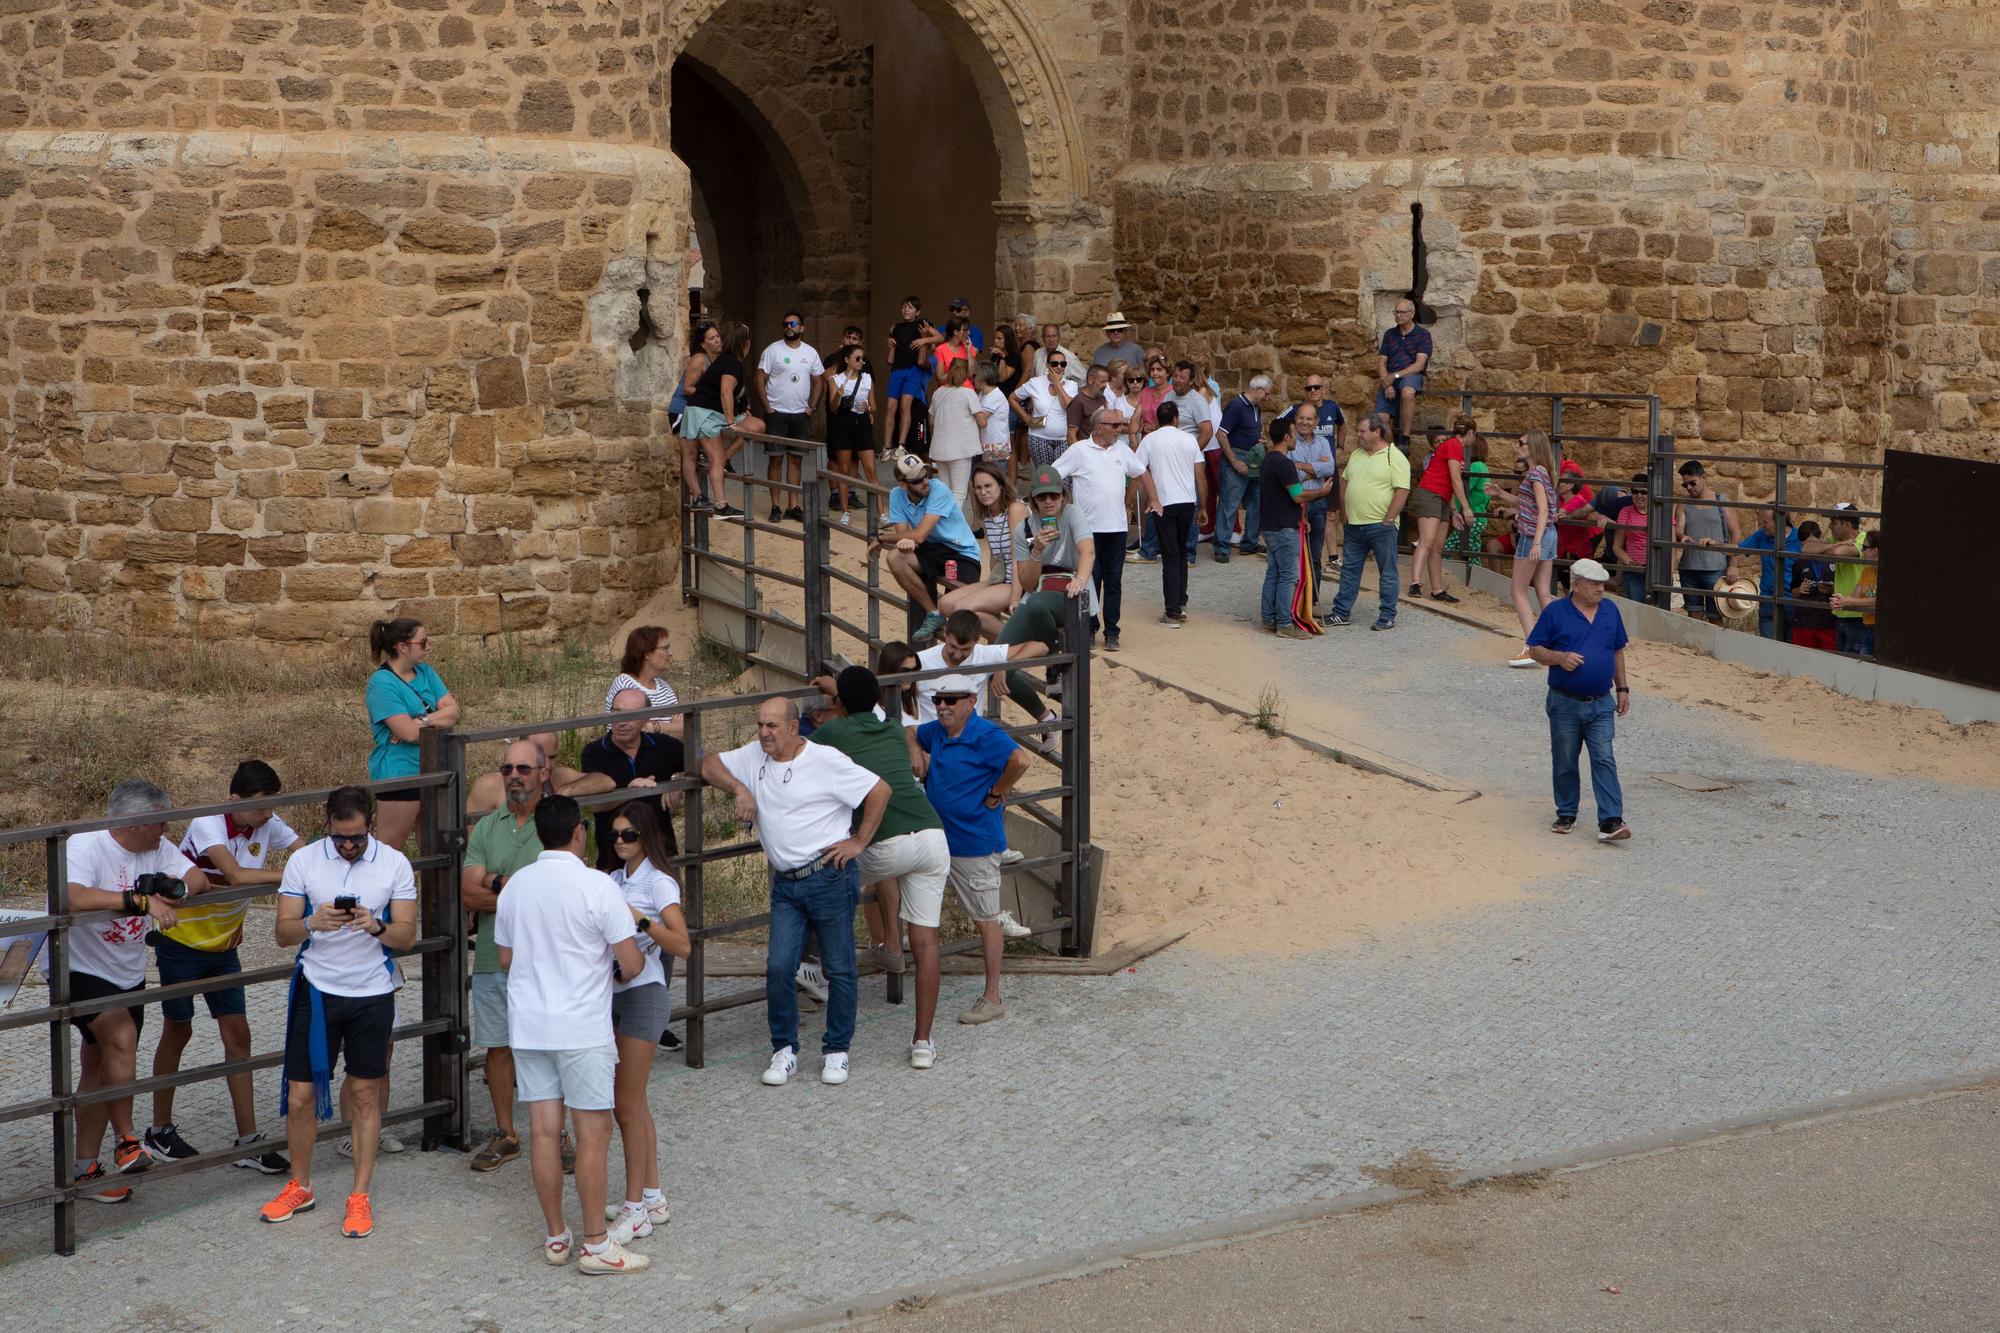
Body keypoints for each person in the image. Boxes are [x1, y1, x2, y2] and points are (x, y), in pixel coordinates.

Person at [490, 796, 648, 1273]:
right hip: (581, 1026)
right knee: (592, 1134)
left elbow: (504, 958)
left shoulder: (516, 886)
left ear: (539, 833)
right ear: (579, 833)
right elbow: (633, 961)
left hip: (529, 1024)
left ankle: (556, 1235)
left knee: (542, 1130)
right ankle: (597, 1244)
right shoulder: (597, 886)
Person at [700, 698, 891, 1088]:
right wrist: (739, 787)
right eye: (760, 725)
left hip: (828, 876)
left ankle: (836, 1050)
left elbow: (880, 790)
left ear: (793, 727)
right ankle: (784, 1049)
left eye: (772, 725)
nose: (764, 733)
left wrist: (858, 841)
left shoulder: (826, 759)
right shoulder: (755, 755)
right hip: (785, 883)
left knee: (838, 968)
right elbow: (708, 763)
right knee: (778, 966)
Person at [260, 785, 418, 1239]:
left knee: (366, 1095)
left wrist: (377, 925)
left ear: (370, 823)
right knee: (300, 1096)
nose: (348, 846)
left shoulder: (394, 863)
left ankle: (360, 1194)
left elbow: (406, 937)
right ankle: (301, 1184)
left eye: (357, 837)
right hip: (317, 990)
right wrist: (313, 921)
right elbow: (282, 934)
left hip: (372, 992)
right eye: (340, 837)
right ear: (326, 824)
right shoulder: (304, 860)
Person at [51, 779, 203, 1203]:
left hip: (128, 971)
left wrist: (177, 892)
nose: (167, 832)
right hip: (81, 968)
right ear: (136, 822)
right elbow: (73, 895)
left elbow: (194, 877)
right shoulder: (86, 846)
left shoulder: (155, 848)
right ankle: (127, 1140)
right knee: (121, 1038)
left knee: (99, 1065)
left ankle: (84, 1169)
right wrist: (139, 901)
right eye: (160, 824)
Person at [145, 760, 297, 1174]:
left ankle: (248, 1140)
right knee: (179, 1029)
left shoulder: (267, 819)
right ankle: (159, 1130)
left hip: (225, 943)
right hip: (181, 943)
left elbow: (304, 849)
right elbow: (233, 873)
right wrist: (296, 876)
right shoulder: (209, 822)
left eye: (273, 806)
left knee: (238, 1033)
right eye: (262, 807)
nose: (269, 816)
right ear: (235, 801)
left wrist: (307, 863)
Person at [807, 668, 951, 1041]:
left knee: (815, 874)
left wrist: (835, 697)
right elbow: (866, 704)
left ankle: (819, 970)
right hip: (932, 835)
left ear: (838, 704)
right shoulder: (890, 729)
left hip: (883, 842)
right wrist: (841, 691)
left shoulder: (832, 732)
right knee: (926, 943)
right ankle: (923, 1041)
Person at [461, 739, 559, 1174]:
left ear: (543, 773)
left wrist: (496, 882)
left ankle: (562, 1132)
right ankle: (507, 1132)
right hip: (490, 957)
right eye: (507, 769)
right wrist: (525, 889)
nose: (514, 775)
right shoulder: (486, 827)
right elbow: (468, 892)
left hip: (548, 959)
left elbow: (558, 893)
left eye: (523, 768)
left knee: (553, 1045)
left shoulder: (559, 823)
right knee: (498, 1048)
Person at [912, 674, 1031, 1034]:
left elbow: (1021, 760)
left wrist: (997, 791)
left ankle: (992, 998)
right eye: (938, 700)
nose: (943, 706)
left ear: (970, 701)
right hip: (937, 841)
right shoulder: (935, 732)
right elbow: (907, 731)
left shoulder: (985, 734)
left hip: (975, 843)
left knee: (986, 920)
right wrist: (915, 751)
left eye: (951, 700)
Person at [602, 799, 689, 1245]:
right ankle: (652, 1196)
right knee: (634, 1101)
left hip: (644, 995)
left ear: (646, 837)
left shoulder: (659, 882)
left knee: (626, 1103)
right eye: (615, 834)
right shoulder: (615, 878)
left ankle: (635, 1210)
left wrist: (641, 921)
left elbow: (683, 943)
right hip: (614, 993)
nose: (619, 841)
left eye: (628, 835)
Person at [1524, 559, 1632, 843]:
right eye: (1595, 584)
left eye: (1602, 583)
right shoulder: (1556, 612)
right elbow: (1535, 649)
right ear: (1576, 584)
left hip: (1601, 702)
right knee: (1565, 760)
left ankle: (1610, 820)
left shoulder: (1610, 610)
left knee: (1604, 758)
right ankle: (1567, 812)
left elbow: (1618, 651)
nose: (1601, 588)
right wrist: (1559, 658)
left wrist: (1622, 688)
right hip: (1565, 702)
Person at [365, 617, 459, 853]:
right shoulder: (381, 684)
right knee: (389, 849)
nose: (428, 647)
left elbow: (455, 712)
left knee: (433, 848)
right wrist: (435, 720)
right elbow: (407, 733)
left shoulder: (425, 671)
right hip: (400, 772)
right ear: (402, 646)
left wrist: (421, 721)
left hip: (434, 766)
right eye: (423, 642)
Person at [1054, 407, 1144, 651]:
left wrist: (1133, 502)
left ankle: (1112, 631)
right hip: (1088, 529)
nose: (1119, 430)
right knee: (1089, 580)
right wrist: (1061, 508)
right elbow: (1053, 474)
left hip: (1116, 528)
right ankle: (1090, 628)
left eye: (1120, 425)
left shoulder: (1122, 450)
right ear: (1098, 427)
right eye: (1114, 425)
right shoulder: (1079, 450)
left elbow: (1140, 473)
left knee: (1114, 581)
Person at [573, 689, 687, 871]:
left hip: (661, 856)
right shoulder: (594, 752)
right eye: (616, 713)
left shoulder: (663, 744)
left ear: (646, 718)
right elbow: (596, 805)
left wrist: (679, 783)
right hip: (615, 862)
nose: (621, 722)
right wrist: (630, 791)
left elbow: (704, 763)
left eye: (630, 716)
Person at [876, 452, 983, 645]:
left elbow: (918, 535)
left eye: (927, 475)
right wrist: (904, 542)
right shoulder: (896, 494)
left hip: (961, 553)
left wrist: (881, 538)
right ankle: (933, 613)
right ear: (903, 484)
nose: (925, 481)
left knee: (957, 614)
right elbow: (905, 536)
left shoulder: (939, 489)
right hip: (931, 549)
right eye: (917, 479)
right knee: (895, 558)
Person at [1328, 412, 1410, 631]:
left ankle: (1387, 615)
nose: (1358, 435)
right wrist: (1344, 512)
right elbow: (1345, 482)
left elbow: (1402, 490)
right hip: (1354, 525)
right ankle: (1341, 612)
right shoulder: (1357, 454)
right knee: (1349, 571)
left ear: (1377, 431)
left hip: (1380, 526)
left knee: (1387, 572)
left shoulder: (1395, 456)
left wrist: (1389, 519)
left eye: (1362, 431)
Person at [1259, 414, 1337, 638]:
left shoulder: (1269, 460)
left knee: (1274, 572)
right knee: (1288, 575)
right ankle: (1284, 623)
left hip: (1271, 525)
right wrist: (1321, 492)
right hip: (1283, 527)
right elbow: (1297, 495)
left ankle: (1269, 618)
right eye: (1293, 433)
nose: (1296, 437)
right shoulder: (1284, 463)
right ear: (1286, 437)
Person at [1135, 399, 1205, 626]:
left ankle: (1172, 611)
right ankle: (1181, 602)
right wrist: (1202, 506)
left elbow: (1138, 472)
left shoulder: (1149, 440)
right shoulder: (1189, 440)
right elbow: (1200, 475)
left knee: (1170, 557)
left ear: (1158, 419)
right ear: (1176, 419)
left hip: (1163, 503)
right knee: (1182, 553)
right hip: (1187, 502)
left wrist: (1129, 501)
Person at [938, 463, 1030, 638]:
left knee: (961, 608)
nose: (983, 492)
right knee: (946, 604)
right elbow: (996, 557)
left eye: (988, 486)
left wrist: (1015, 599)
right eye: (978, 488)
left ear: (1001, 486)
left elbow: (1020, 557)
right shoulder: (988, 513)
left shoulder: (1015, 509)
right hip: (1003, 579)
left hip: (1023, 581)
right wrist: (991, 587)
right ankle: (1001, 646)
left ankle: (1016, 643)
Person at [682, 322, 758, 518]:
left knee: (757, 426)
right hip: (702, 413)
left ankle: (724, 460)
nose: (716, 340)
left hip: (710, 412)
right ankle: (718, 504)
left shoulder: (725, 360)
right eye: (711, 338)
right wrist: (732, 422)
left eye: (718, 337)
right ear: (746, 344)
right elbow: (725, 391)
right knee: (707, 457)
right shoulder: (727, 362)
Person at [755, 312, 824, 523]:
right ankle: (776, 505)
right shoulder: (773, 350)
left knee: (795, 460)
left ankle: (793, 505)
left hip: (800, 415)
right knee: (775, 459)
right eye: (785, 324)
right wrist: (767, 407)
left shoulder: (810, 352)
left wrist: (812, 407)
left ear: (802, 327)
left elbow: (819, 381)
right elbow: (759, 378)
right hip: (777, 413)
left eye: (793, 323)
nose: (789, 327)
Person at [1505, 431, 1559, 666]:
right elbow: (1527, 503)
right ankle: (1557, 640)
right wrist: (1500, 494)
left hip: (1533, 536)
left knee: (1518, 591)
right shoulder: (1541, 472)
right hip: (1549, 534)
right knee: (1543, 592)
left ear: (1533, 447)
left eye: (1521, 443)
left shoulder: (1535, 473)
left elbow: (1542, 509)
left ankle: (1532, 646)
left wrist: (1535, 542)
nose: (1517, 446)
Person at [1409, 416, 1473, 603]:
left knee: (1437, 546)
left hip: (1442, 498)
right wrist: (1466, 508)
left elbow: (1449, 482)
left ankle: (1437, 589)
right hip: (1431, 494)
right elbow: (1455, 480)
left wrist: (1454, 511)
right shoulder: (1454, 445)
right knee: (1427, 540)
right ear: (1470, 433)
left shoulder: (1452, 445)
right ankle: (1415, 583)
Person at [1291, 376, 1345, 598]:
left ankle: (1312, 599)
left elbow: (1329, 467)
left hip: (1319, 504)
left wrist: (1303, 466)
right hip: (1298, 503)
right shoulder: (1291, 442)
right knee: (1294, 554)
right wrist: (1315, 467)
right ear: (1296, 419)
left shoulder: (1324, 442)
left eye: (1309, 419)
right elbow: (1293, 474)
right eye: (1301, 418)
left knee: (1314, 556)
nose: (1305, 422)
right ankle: (1293, 599)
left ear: (1316, 422)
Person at [1674, 460, 1742, 624]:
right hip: (1689, 568)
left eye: (1692, 483)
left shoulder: (1721, 501)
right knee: (1693, 616)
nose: (1689, 487)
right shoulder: (1683, 504)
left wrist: (1733, 564)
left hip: (1716, 569)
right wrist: (1682, 537)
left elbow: (1736, 533)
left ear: (1704, 478)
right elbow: (1679, 528)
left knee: (1716, 616)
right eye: (1685, 485)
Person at [1803, 502, 1873, 656]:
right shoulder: (1837, 541)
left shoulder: (1863, 539)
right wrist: (1838, 544)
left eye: (1833, 522)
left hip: (1857, 615)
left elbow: (1837, 553)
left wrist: (1831, 548)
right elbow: (1807, 548)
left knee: (1854, 661)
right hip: (1842, 612)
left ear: (1846, 524)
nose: (1829, 526)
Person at [1213, 375, 1270, 561]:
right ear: (1258, 389)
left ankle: (1250, 542)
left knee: (1257, 500)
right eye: (1266, 393)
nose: (1267, 398)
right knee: (1230, 502)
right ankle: (1221, 546)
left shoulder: (1255, 406)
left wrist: (1260, 440)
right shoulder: (1236, 405)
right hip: (1237, 456)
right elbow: (1221, 434)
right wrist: (1234, 461)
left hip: (1253, 458)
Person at [823, 341, 877, 520]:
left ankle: (881, 512)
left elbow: (874, 407)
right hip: (843, 424)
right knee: (843, 469)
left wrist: (868, 407)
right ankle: (845, 511)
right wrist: (838, 395)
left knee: (871, 470)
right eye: (858, 358)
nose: (861, 361)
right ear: (847, 359)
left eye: (863, 358)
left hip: (861, 422)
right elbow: (833, 408)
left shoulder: (867, 378)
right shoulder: (835, 380)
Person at [1736, 505, 1802, 640]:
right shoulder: (1762, 535)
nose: (1762, 525)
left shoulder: (1799, 538)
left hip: (1793, 603)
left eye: (1765, 522)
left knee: (1791, 647)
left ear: (1779, 521)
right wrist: (1712, 545)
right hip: (1768, 602)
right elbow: (1738, 549)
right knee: (1768, 646)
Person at [605, 625, 682, 738]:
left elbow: (687, 728)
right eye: (665, 648)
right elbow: (634, 733)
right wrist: (671, 728)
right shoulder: (625, 686)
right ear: (647, 654)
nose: (670, 653)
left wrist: (654, 727)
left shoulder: (664, 687)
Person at [884, 296, 939, 454]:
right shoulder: (897, 327)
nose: (906, 309)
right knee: (892, 408)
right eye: (904, 306)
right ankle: (889, 447)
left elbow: (923, 359)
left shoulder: (932, 359)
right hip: (899, 373)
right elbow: (890, 360)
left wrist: (923, 340)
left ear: (918, 312)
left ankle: (904, 450)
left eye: (910, 307)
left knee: (920, 446)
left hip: (918, 400)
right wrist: (891, 343)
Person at [927, 357, 984, 506]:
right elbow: (982, 421)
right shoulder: (968, 393)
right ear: (966, 374)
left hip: (940, 449)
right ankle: (952, 527)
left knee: (945, 492)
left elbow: (932, 421)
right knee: (959, 493)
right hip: (960, 450)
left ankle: (942, 524)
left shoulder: (937, 392)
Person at [1375, 298, 1431, 442]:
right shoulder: (1389, 334)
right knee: (1381, 419)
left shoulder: (1423, 334)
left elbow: (1419, 365)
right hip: (1390, 378)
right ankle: (1391, 449)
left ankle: (1405, 437)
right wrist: (1387, 384)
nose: (1398, 315)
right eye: (1396, 312)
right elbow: (1381, 362)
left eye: (1402, 312)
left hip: (1410, 375)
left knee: (1407, 392)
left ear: (1412, 314)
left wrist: (1395, 376)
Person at [1013, 347, 1075, 471]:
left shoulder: (1071, 385)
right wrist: (1027, 418)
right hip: (1038, 437)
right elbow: (1012, 398)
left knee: (1062, 477)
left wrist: (1057, 383)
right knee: (1044, 478)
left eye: (1063, 364)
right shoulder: (1035, 383)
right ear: (1047, 365)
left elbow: (1069, 407)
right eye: (1054, 364)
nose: (1059, 367)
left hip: (1063, 439)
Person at [1608, 475, 1664, 604]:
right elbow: (1617, 546)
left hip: (1657, 569)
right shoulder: (1625, 512)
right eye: (1635, 491)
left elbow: (1670, 544)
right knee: (1636, 608)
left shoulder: (1660, 512)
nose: (1639, 495)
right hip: (1633, 569)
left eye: (1644, 492)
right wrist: (1631, 563)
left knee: (1656, 610)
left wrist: (1669, 570)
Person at [1441, 428, 1491, 571]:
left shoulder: (1474, 467)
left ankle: (1449, 575)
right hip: (1478, 518)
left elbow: (1463, 489)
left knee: (1447, 549)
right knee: (1473, 553)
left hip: (1470, 519)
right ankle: (1475, 580)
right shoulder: (1483, 467)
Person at [1788, 522, 1839, 651]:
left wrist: (1832, 589)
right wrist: (1799, 590)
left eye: (1814, 543)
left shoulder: (1833, 559)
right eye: (1807, 544)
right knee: (1802, 662)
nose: (1811, 547)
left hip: (1829, 621)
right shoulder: (1798, 563)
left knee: (1830, 662)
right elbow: (1793, 591)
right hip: (1804, 621)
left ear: (1820, 538)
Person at [1829, 528, 1879, 653]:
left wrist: (1848, 602)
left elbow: (1880, 601)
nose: (1862, 551)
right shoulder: (1867, 570)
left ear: (1875, 551)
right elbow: (1854, 596)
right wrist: (1841, 600)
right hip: (1868, 626)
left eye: (1864, 547)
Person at [974, 358, 1013, 476]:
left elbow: (981, 420)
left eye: (975, 375)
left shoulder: (994, 396)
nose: (973, 378)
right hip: (987, 445)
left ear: (982, 378)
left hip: (996, 446)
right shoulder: (982, 394)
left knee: (996, 482)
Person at [1063, 363, 1112, 445]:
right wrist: (1080, 454)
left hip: (1101, 449)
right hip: (1086, 449)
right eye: (1102, 381)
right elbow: (1071, 435)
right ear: (1090, 380)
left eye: (1106, 382)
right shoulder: (1078, 402)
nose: (1105, 385)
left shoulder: (1102, 398)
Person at [930, 315, 980, 390]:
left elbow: (973, 374)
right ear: (956, 332)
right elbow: (940, 379)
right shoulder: (941, 350)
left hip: (968, 392)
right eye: (965, 330)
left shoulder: (970, 348)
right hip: (949, 392)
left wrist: (968, 351)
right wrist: (960, 372)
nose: (968, 333)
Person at [1092, 312, 1143, 377]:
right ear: (1107, 333)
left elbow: (1145, 375)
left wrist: (1152, 386)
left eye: (1120, 330)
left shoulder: (1136, 350)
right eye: (1112, 330)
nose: (1116, 333)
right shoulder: (1099, 351)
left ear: (1125, 331)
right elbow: (1096, 376)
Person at [1034, 322, 1084, 386]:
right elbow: (1034, 377)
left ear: (1059, 337)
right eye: (1047, 336)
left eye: (1054, 336)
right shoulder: (1038, 354)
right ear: (1043, 338)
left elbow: (1083, 379)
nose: (1051, 339)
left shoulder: (1069, 356)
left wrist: (1069, 389)